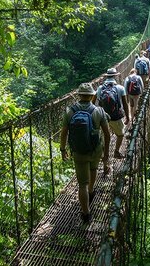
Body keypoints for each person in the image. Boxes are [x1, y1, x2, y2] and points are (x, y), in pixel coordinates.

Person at [60, 83, 111, 223]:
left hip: (78, 151)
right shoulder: (99, 111)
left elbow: (64, 133)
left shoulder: (69, 111)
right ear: (92, 95)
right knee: (93, 168)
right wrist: (106, 154)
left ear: (79, 95)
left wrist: (63, 149)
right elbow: (107, 134)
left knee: (81, 183)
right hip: (95, 149)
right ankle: (91, 191)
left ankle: (86, 214)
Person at [94, 68, 129, 159]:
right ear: (116, 76)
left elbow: (94, 103)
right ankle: (116, 152)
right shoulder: (120, 88)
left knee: (105, 135)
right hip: (115, 116)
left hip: (102, 116)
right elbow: (125, 104)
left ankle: (104, 154)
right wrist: (128, 117)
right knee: (120, 134)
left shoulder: (100, 88)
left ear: (106, 77)